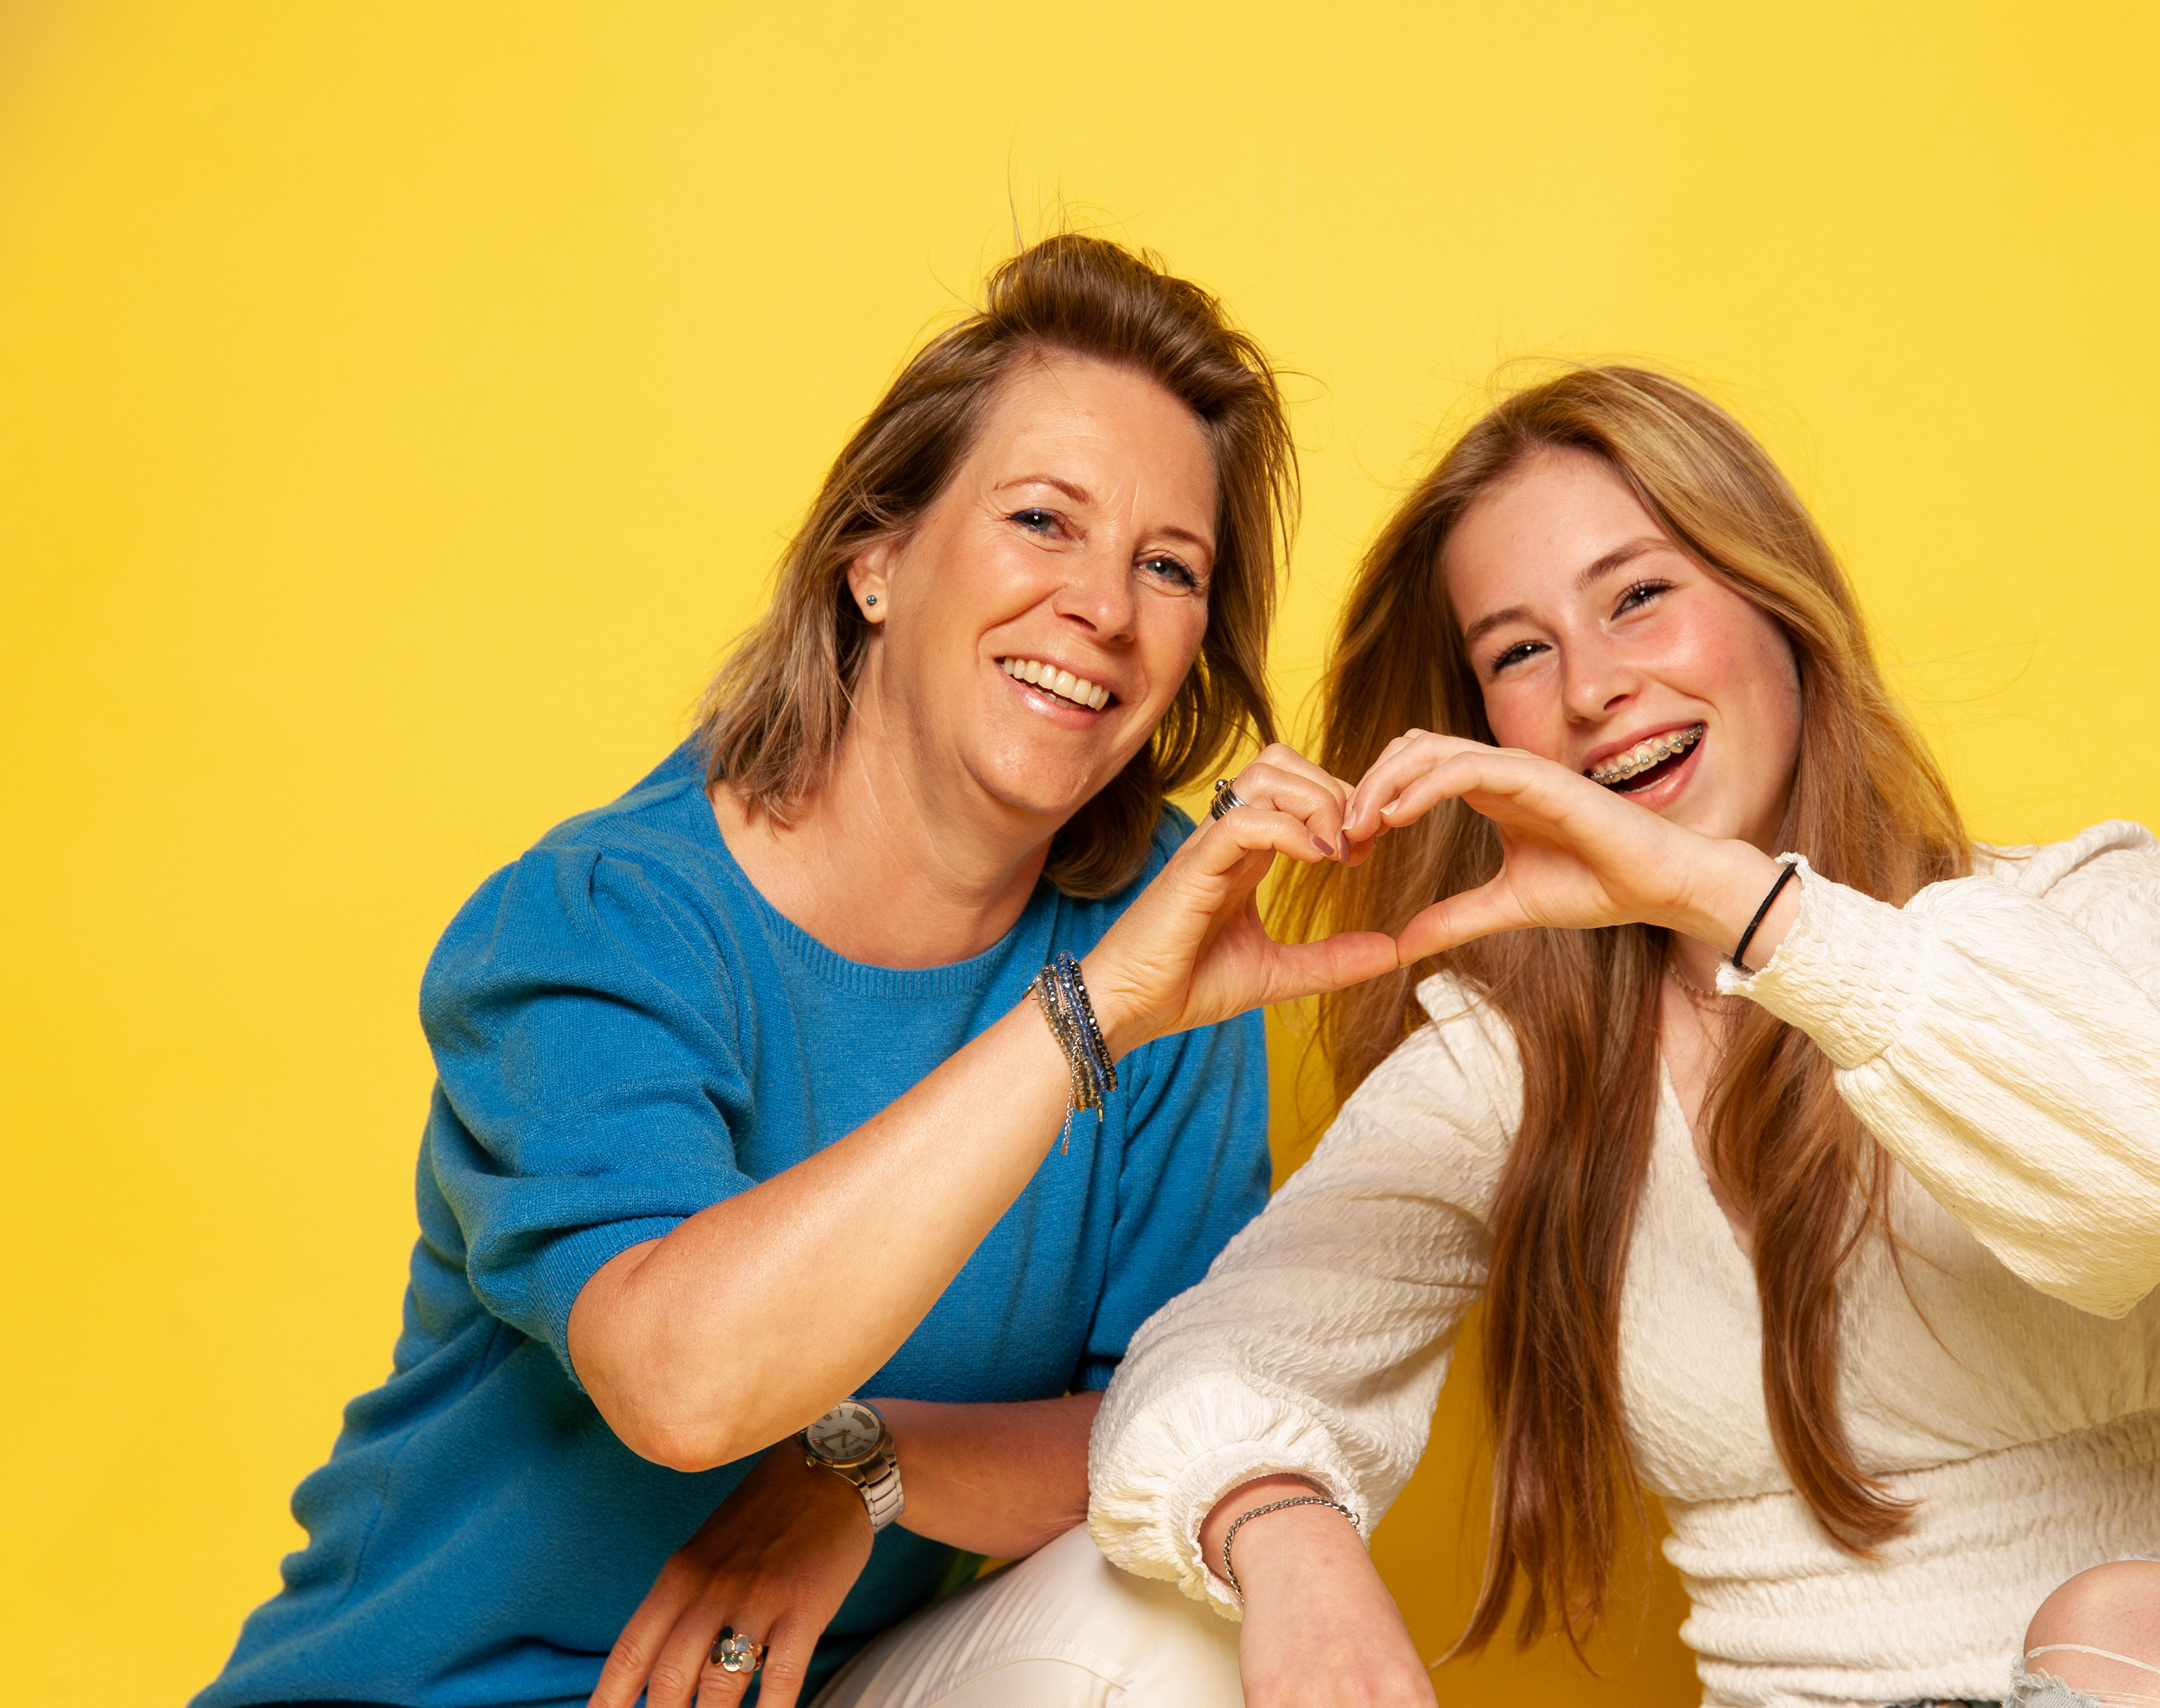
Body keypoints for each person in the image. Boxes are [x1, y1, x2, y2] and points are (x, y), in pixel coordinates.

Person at [192, 235, 1394, 1708]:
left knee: (1167, 1612)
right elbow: (682, 1385)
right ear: (875, 560)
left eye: (1168, 566)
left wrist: (863, 1472)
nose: (1105, 607)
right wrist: (1082, 1019)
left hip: (804, 1682)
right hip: (436, 1690)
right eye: (1041, 519)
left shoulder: (1165, 917)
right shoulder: (601, 920)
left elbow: (1161, 1415)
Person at [1087, 365, 2160, 1708]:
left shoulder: (2082, 906)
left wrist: (1730, 903)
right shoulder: (1512, 1068)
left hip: (2149, 1682)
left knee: (2147, 1627)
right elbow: (1208, 1360)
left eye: (1637, 597)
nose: (1594, 687)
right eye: (1519, 652)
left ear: (1775, 599)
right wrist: (1293, 1545)